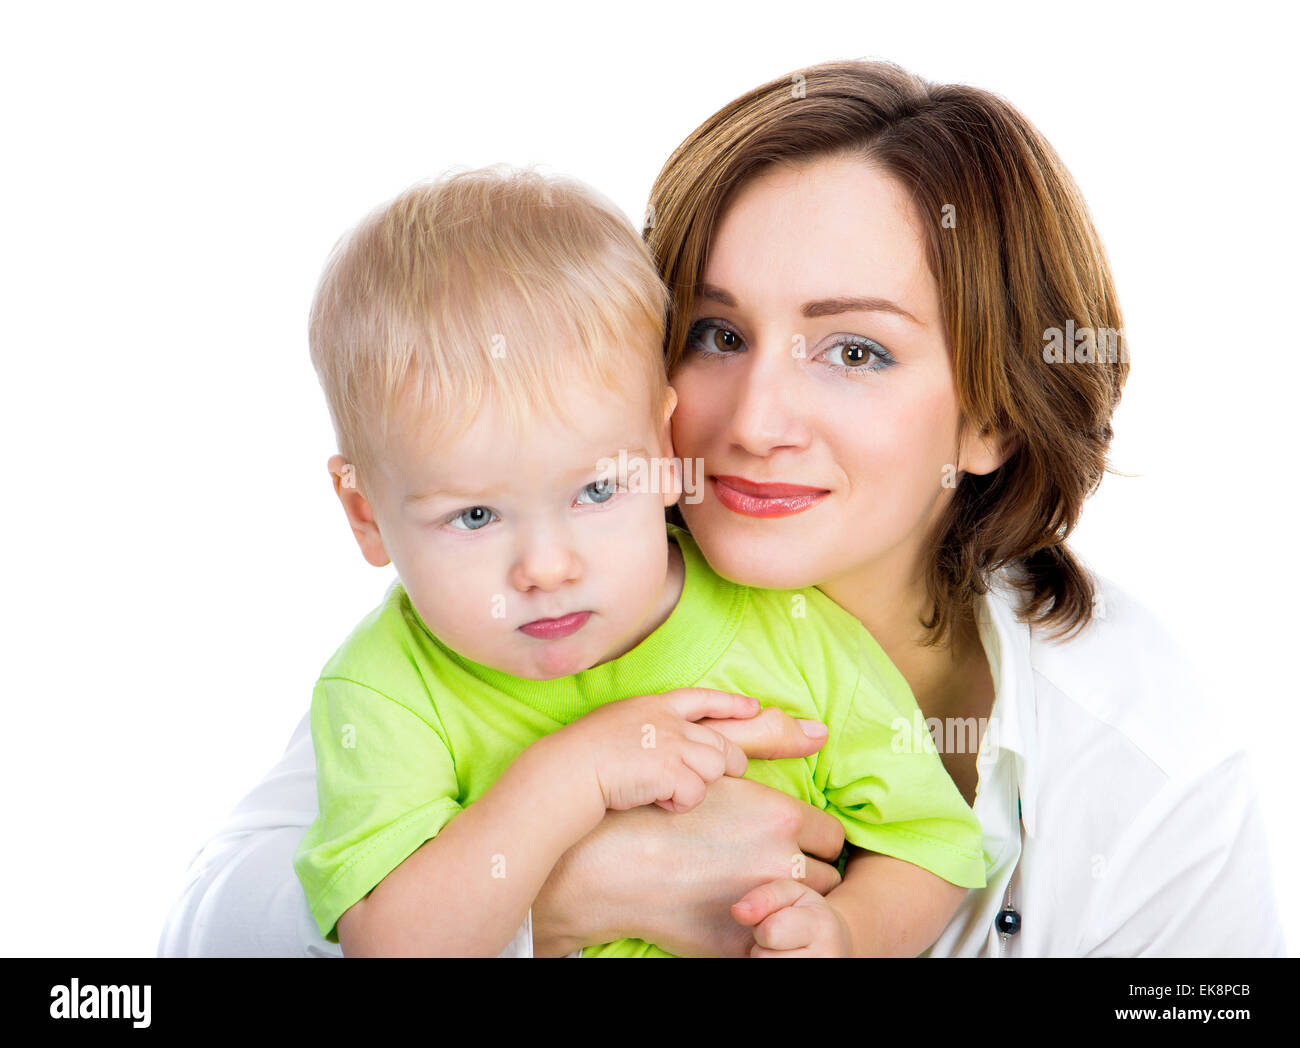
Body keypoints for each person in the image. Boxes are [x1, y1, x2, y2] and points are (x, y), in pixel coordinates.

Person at [159, 60, 1285, 959]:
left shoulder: (1143, 751)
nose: (754, 419)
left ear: (992, 413)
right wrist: (563, 894)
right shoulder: (532, 601)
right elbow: (203, 932)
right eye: (717, 333)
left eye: (854, 349)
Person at [288, 167, 988, 957]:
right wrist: (571, 776)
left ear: (662, 443)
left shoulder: (790, 626)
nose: (546, 568)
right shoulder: (387, 693)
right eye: (475, 516)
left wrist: (849, 934)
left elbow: (929, 842)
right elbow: (392, 949)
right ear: (366, 515)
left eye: (595, 490)